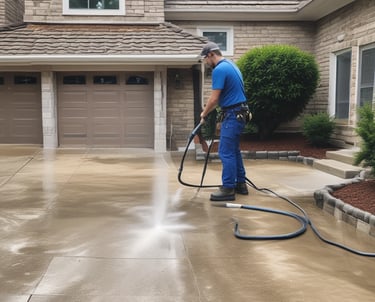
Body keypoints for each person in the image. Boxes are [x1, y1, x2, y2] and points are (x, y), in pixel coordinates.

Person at [199, 41, 249, 201]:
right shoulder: (231, 65)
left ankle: (228, 189)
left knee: (225, 152)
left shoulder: (219, 69)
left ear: (210, 55)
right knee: (233, 151)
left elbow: (214, 99)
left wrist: (204, 114)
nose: (206, 63)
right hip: (239, 112)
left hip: (234, 113)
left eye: (205, 60)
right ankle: (241, 184)